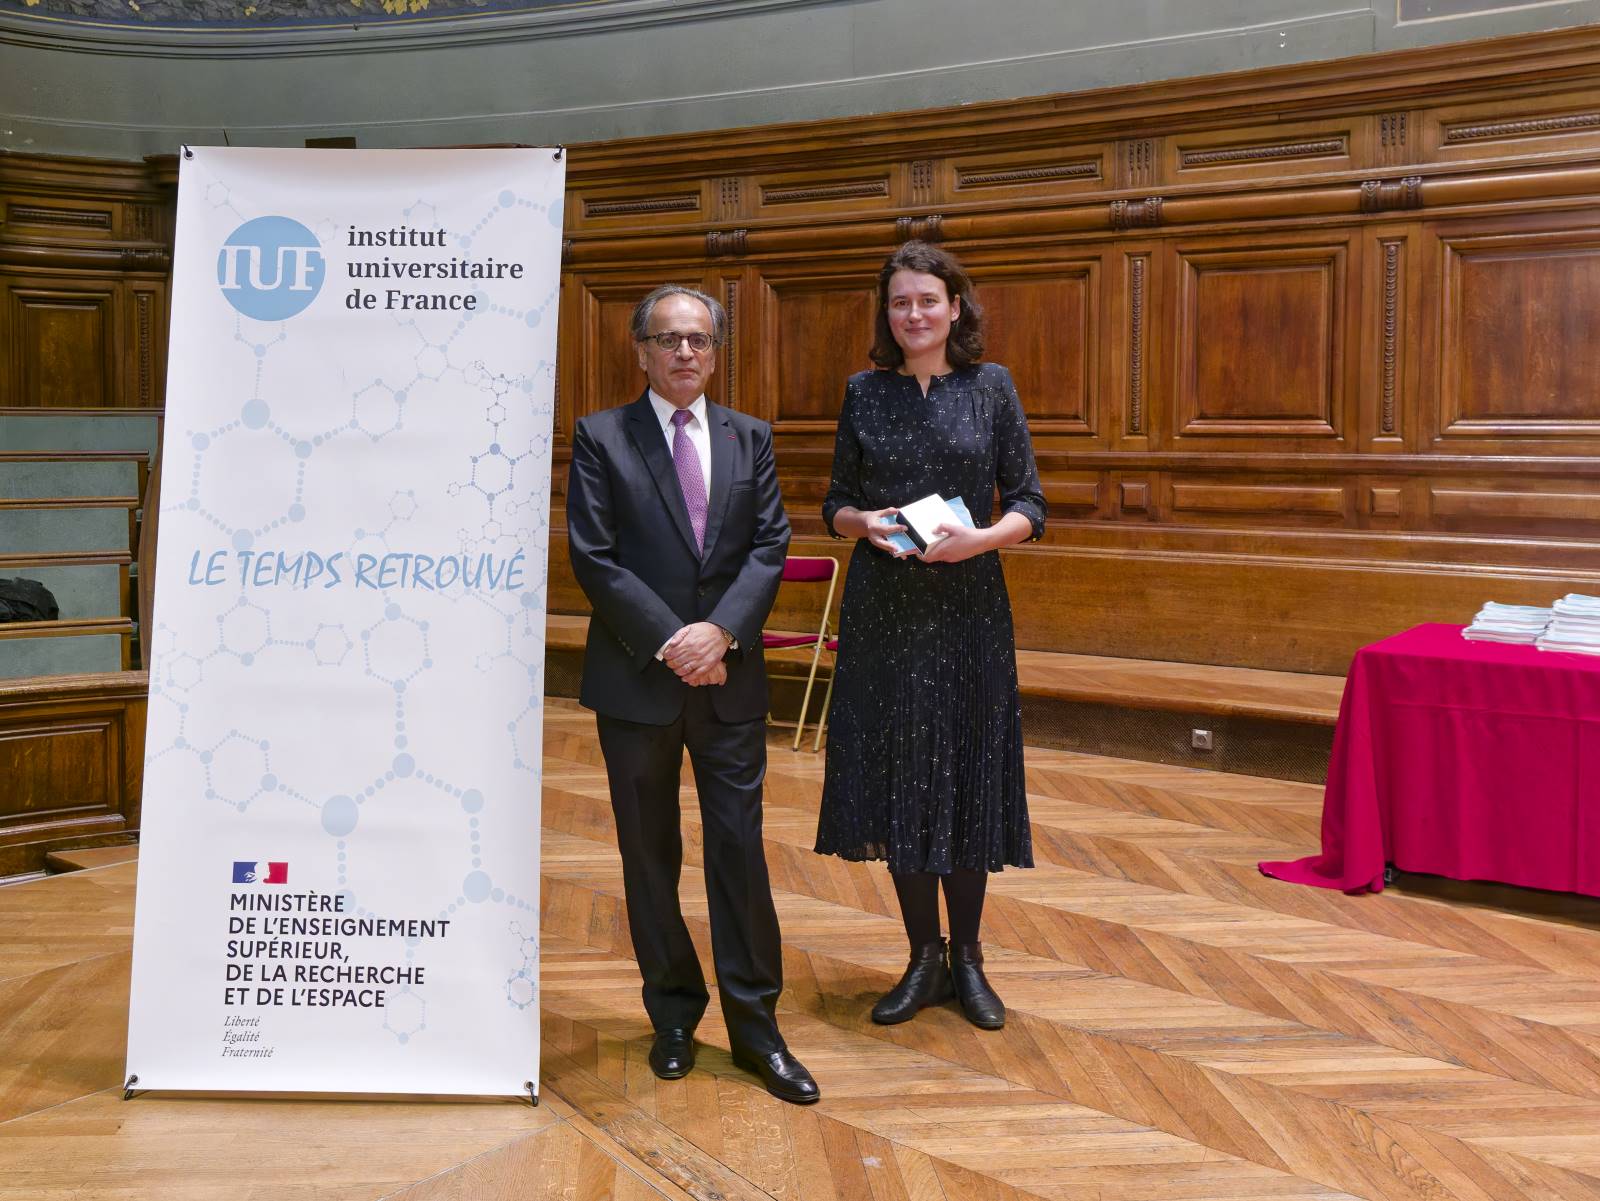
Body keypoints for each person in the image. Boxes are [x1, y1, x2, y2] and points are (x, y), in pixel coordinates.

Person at [565, 284, 819, 1104]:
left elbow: (769, 545)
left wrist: (723, 633)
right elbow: (594, 555)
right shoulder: (602, 436)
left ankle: (757, 1027)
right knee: (649, 855)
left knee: (738, 852)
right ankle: (673, 1013)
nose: (684, 352)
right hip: (638, 679)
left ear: (715, 352)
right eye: (669, 338)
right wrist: (677, 641)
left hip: (729, 679)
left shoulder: (751, 437)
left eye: (699, 340)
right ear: (640, 350)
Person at [815, 241, 1046, 1030]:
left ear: (954, 307)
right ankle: (922, 955)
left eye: (926, 300)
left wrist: (981, 539)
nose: (913, 314)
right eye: (900, 302)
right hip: (883, 607)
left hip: (968, 606)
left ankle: (969, 959)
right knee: (899, 774)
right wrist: (865, 523)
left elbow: (1030, 503)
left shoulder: (991, 387)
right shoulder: (864, 392)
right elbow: (835, 504)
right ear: (887, 314)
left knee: (964, 771)